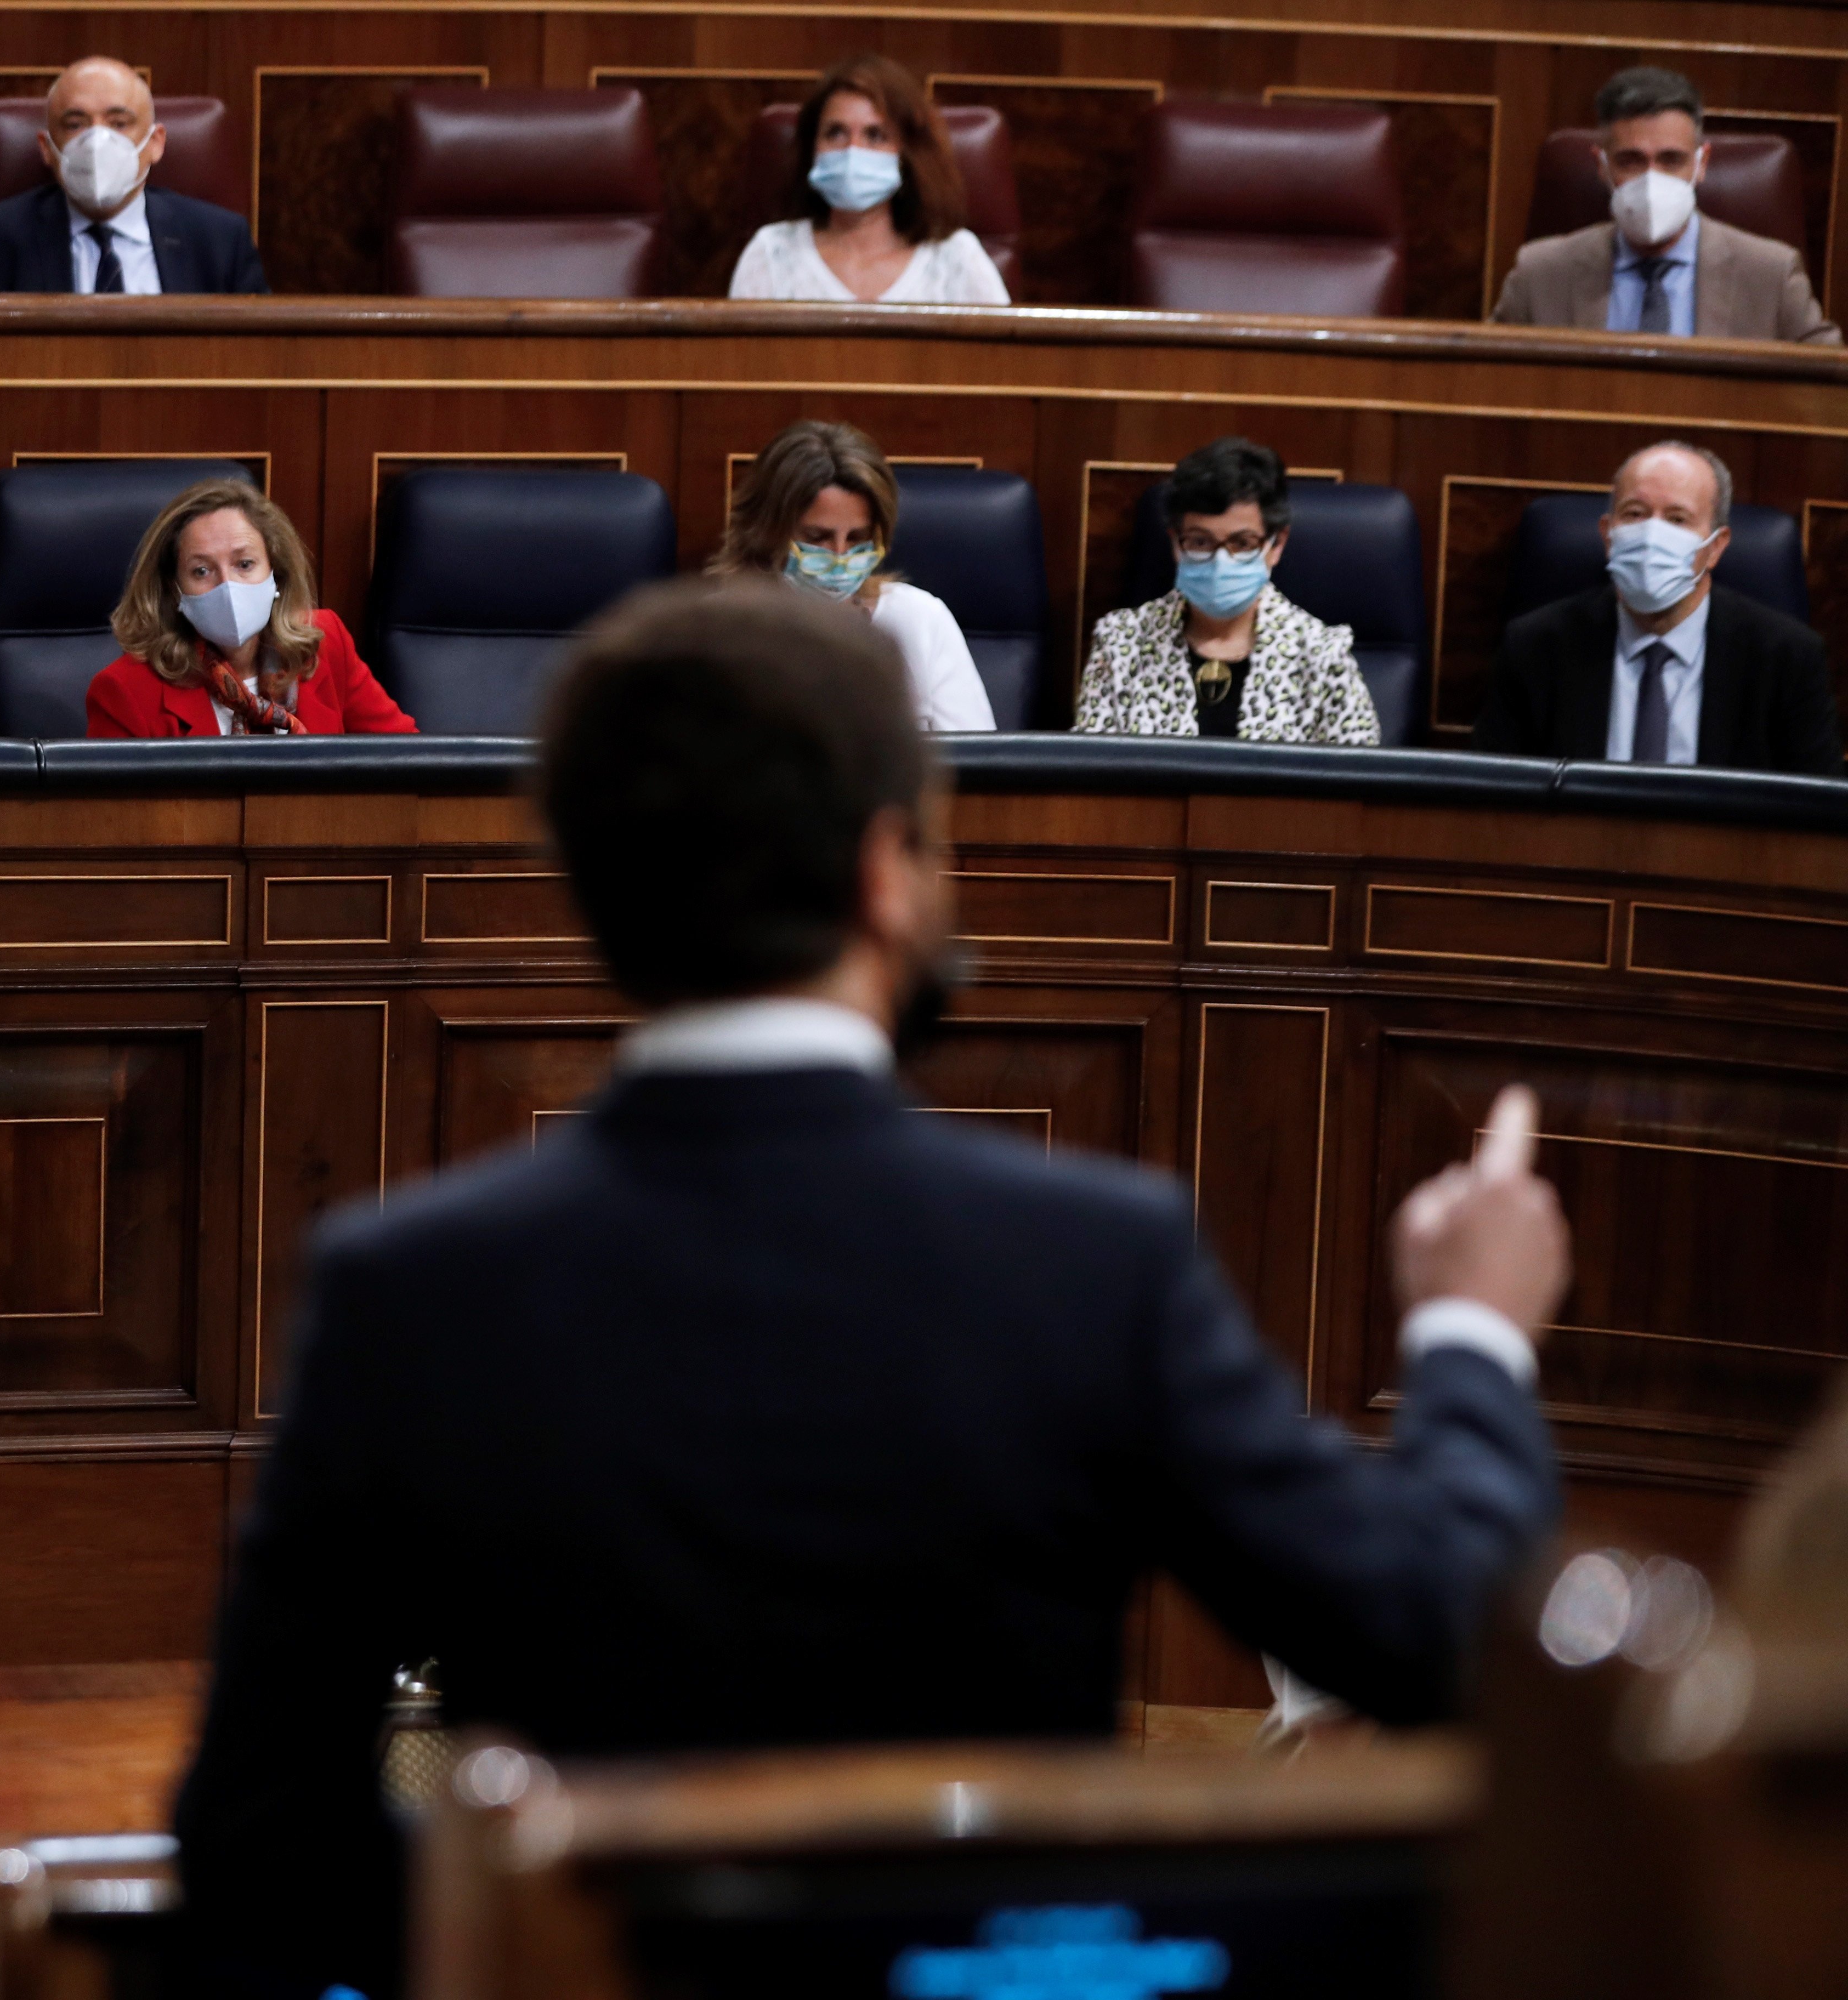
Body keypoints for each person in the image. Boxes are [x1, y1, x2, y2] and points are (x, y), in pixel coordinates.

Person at [171, 579, 1568, 1995]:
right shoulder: (1091, 1264)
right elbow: (1444, 1637)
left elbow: (254, 1843)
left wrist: (533, 1922)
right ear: (886, 872)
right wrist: (1468, 1330)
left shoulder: (410, 1296)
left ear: (596, 896)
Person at [1472, 441, 1841, 774]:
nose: (1651, 535)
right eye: (1634, 514)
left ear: (1715, 547)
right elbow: (1493, 799)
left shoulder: (1787, 659)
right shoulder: (1535, 647)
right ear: (1607, 535)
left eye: (1678, 519)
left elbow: (1817, 817)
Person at [1491, 66, 1840, 345]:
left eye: (1671, 160)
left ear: (1701, 165)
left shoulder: (1771, 275)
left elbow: (1830, 384)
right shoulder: (1540, 274)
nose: (1651, 179)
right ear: (1602, 167)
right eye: (1631, 161)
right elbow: (1489, 380)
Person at [1074, 436, 1381, 745]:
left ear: (1276, 545)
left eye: (1242, 544)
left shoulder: (1321, 655)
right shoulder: (1121, 644)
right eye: (1200, 542)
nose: (1221, 561)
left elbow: (1362, 782)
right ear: (1175, 543)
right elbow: (1091, 776)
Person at [708, 419, 995, 731]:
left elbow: (980, 768)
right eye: (818, 537)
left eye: (857, 538)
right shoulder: (712, 633)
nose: (840, 556)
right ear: (766, 531)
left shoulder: (920, 619)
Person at [85, 480, 416, 737]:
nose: (228, 586)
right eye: (202, 571)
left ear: (276, 574)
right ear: (174, 591)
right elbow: (118, 820)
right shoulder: (125, 691)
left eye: (245, 564)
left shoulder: (325, 643)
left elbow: (408, 760)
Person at [0, 57, 269, 296]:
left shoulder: (220, 241)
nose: (96, 142)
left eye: (119, 124)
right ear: (46, 148)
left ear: (155, 144)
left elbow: (257, 357)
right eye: (75, 125)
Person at [726, 56, 1009, 306]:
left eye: (875, 136)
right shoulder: (772, 255)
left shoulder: (956, 259)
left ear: (905, 154)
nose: (853, 151)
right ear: (812, 148)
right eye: (836, 133)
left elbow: (1001, 363)